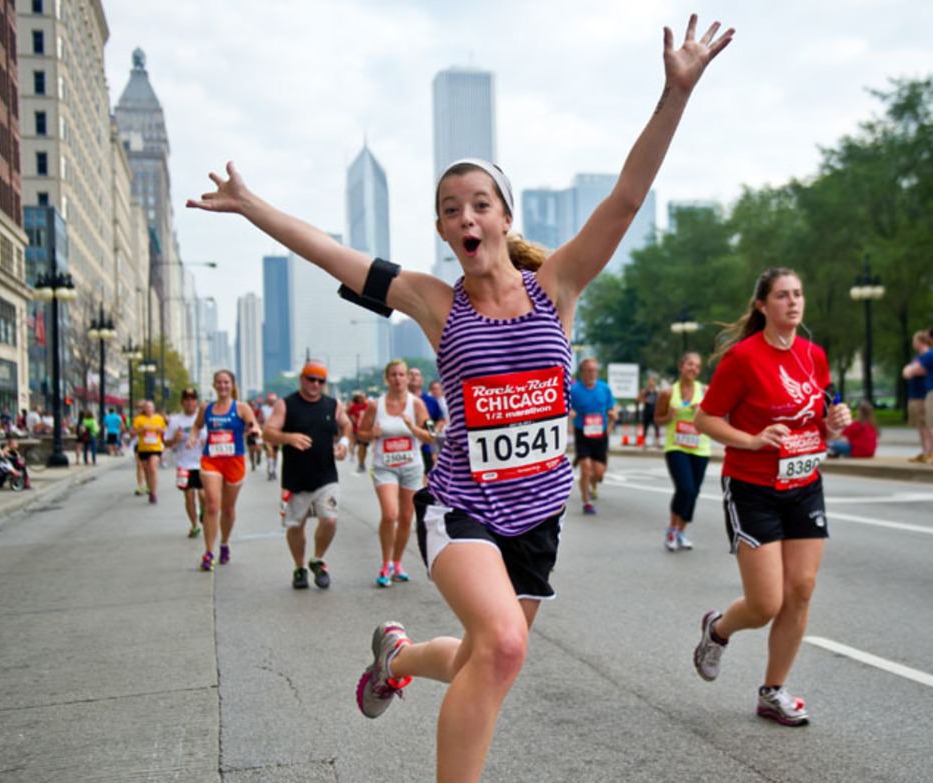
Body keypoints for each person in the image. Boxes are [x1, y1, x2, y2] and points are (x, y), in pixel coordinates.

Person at [188, 15, 732, 779]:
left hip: (537, 516)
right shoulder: (432, 300)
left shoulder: (558, 286)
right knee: (504, 644)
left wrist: (675, 92)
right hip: (460, 508)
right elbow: (332, 254)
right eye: (450, 207)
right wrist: (254, 207)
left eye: (479, 203)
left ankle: (396, 656)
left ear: (506, 218)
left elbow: (627, 198)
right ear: (443, 228)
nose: (465, 216)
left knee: (489, 655)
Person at [691, 267, 851, 727]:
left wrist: (832, 423)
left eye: (798, 294)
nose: (793, 303)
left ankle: (773, 692)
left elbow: (816, 416)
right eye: (782, 296)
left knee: (800, 589)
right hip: (752, 487)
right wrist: (754, 439)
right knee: (765, 603)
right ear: (762, 305)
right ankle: (718, 630)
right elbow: (707, 420)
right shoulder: (743, 359)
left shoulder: (813, 355)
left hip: (803, 484)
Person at [261, 360, 352, 589]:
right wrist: (288, 438)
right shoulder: (286, 404)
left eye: (320, 381)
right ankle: (299, 567)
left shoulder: (333, 404)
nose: (315, 384)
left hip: (326, 474)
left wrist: (343, 443)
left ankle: (318, 559)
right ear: (302, 379)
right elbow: (268, 432)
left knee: (330, 519)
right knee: (295, 525)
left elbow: (347, 425)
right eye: (311, 379)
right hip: (296, 476)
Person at [357, 359, 433, 587]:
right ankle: (386, 562)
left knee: (407, 517)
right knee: (390, 514)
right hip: (384, 467)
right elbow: (360, 433)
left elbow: (430, 437)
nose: (398, 379)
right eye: (393, 375)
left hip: (411, 466)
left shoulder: (417, 404)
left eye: (401, 375)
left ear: (408, 378)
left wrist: (412, 428)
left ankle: (398, 562)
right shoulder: (375, 405)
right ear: (386, 378)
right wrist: (372, 433)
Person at [189, 371, 260, 572]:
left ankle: (224, 543)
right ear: (214, 385)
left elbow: (254, 425)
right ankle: (209, 552)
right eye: (219, 382)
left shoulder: (241, 407)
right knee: (212, 505)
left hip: (234, 461)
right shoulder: (206, 408)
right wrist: (192, 436)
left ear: (232, 385)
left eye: (226, 382)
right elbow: (197, 425)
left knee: (228, 509)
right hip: (211, 460)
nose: (222, 386)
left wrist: (255, 431)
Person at [653, 352, 711, 550]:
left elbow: (717, 417)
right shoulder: (668, 393)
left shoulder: (705, 391)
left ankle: (682, 531)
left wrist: (703, 412)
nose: (693, 368)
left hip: (700, 447)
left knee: (693, 492)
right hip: (676, 446)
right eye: (689, 364)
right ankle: (672, 529)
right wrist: (669, 415)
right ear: (681, 366)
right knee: (685, 488)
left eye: (697, 366)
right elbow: (658, 419)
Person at [569, 357, 618, 514]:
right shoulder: (574, 390)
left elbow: (612, 408)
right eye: (588, 370)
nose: (592, 373)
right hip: (582, 433)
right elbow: (565, 406)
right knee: (586, 469)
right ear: (582, 372)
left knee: (599, 472)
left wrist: (612, 417)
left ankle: (593, 483)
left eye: (594, 370)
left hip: (600, 434)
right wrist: (570, 413)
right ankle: (587, 502)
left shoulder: (604, 388)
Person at [165, 388, 207, 539]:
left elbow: (212, 437)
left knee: (203, 495)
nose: (190, 403)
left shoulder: (203, 418)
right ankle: (194, 525)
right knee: (188, 496)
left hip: (203, 463)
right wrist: (175, 438)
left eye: (193, 400)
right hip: (184, 464)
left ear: (196, 402)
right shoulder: (176, 421)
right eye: (187, 400)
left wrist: (204, 441)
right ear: (182, 402)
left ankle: (203, 511)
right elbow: (167, 443)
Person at [902, 330, 933, 463]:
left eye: (915, 340)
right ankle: (925, 451)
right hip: (916, 395)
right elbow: (907, 372)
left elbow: (912, 371)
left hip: (923, 394)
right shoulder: (919, 357)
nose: (913, 343)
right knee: (921, 426)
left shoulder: (929, 355)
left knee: (928, 425)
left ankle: (930, 451)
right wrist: (910, 370)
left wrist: (911, 370)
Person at [409, 367, 445, 474]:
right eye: (411, 374)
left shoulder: (430, 400)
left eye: (417, 374)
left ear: (422, 380)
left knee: (426, 476)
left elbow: (439, 419)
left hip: (425, 446)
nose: (414, 377)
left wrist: (433, 433)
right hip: (406, 447)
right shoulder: (400, 400)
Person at [133, 400, 167, 504]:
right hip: (143, 448)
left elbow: (165, 431)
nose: (148, 409)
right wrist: (142, 429)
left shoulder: (159, 418)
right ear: (144, 409)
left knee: (152, 468)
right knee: (146, 470)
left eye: (150, 407)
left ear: (153, 408)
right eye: (146, 407)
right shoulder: (139, 419)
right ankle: (150, 486)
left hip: (155, 447)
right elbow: (133, 432)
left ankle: (153, 493)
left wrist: (160, 429)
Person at [346, 391, 370, 472]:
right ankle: (360, 463)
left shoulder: (368, 406)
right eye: (360, 397)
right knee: (361, 446)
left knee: (364, 447)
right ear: (357, 398)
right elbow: (348, 413)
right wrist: (352, 420)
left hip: (366, 429)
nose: (362, 399)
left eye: (363, 397)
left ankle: (362, 462)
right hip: (357, 429)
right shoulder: (354, 407)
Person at [259, 391, 279, 480]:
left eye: (274, 400)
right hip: (267, 432)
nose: (272, 402)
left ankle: (273, 469)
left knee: (275, 453)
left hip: (277, 433)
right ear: (268, 400)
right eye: (271, 400)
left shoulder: (278, 408)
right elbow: (260, 420)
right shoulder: (263, 408)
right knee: (269, 451)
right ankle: (270, 471)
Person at [638, 375, 660, 447]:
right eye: (650, 381)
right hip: (647, 411)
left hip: (655, 411)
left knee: (656, 428)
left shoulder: (657, 392)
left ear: (654, 382)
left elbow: (660, 401)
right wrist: (644, 399)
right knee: (645, 427)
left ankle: (657, 442)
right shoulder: (645, 391)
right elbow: (638, 399)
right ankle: (644, 442)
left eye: (652, 381)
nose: (651, 383)